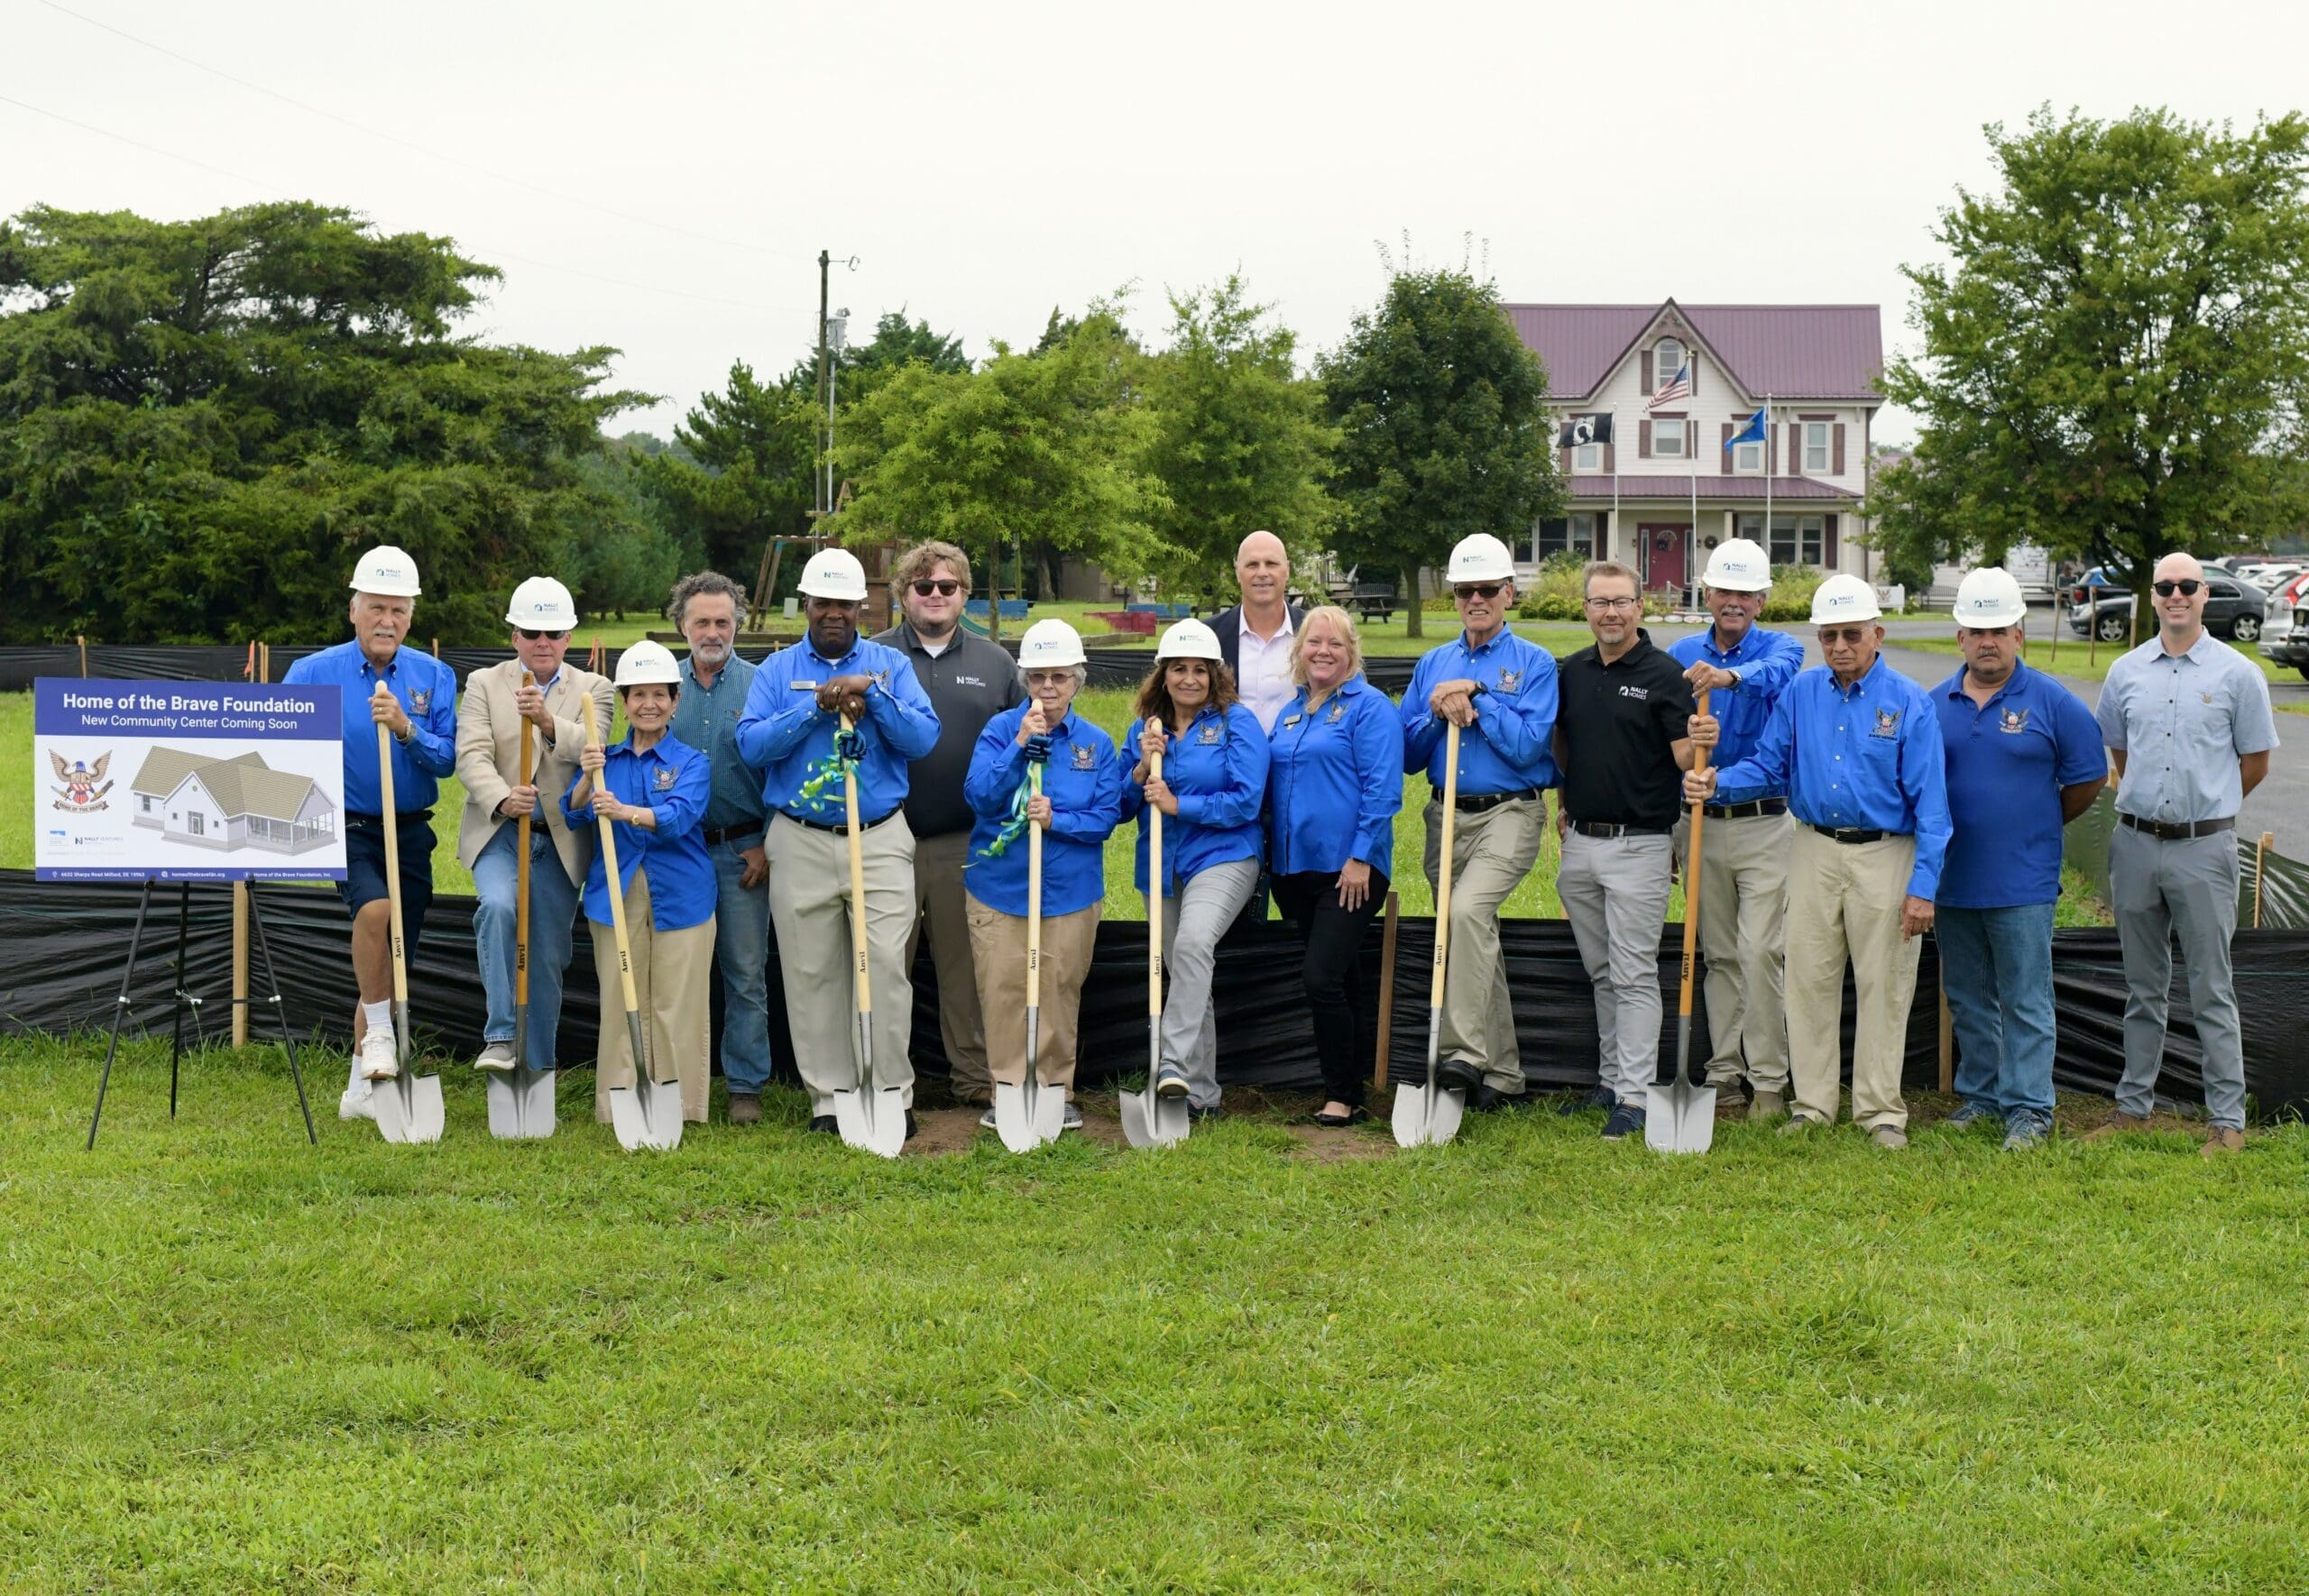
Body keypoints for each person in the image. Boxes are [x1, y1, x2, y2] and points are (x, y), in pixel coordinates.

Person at [1685, 574, 1950, 1149]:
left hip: (1887, 851)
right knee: (1808, 977)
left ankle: (1880, 1112)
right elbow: (1769, 765)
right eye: (1828, 636)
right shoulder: (1802, 692)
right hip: (1810, 847)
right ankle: (1812, 1105)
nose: (1839, 647)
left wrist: (1923, 886)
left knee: (1884, 983)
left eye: (1851, 634)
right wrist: (1717, 782)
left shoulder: (1908, 700)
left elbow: (1933, 807)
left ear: (1877, 633)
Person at [736, 547, 940, 1138]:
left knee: (883, 967)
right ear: (806, 604)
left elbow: (923, 736)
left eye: (844, 604)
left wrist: (870, 696)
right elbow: (751, 747)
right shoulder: (775, 670)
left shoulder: (888, 664)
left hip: (877, 836)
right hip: (799, 838)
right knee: (811, 971)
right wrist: (814, 705)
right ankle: (829, 1097)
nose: (833, 613)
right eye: (822, 602)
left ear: (862, 607)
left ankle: (890, 1090)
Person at [2091, 551, 2278, 1155]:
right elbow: (2121, 755)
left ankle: (2226, 1122)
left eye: (2188, 586)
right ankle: (2133, 1107)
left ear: (2204, 596)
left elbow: (2254, 763)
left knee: (2211, 987)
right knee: (2142, 987)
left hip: (2206, 849)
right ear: (2152, 596)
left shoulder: (2238, 675)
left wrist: (2205, 807)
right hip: (2137, 844)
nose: (2177, 594)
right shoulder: (2124, 672)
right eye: (2166, 586)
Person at [1933, 568, 2107, 1151]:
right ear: (1960, 635)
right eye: (1977, 629)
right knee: (1967, 996)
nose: (1988, 640)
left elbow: (2089, 778)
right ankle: (1982, 1096)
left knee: (2026, 998)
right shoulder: (1934, 705)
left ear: (2019, 632)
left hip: (2024, 882)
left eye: (2000, 629)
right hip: (1953, 881)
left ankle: (2030, 1108)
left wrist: (2037, 823)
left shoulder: (2055, 702)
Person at [283, 546, 458, 1118]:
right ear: (353, 610)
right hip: (345, 824)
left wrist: (408, 729)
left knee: (390, 956)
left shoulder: (434, 676)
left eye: (399, 611)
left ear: (411, 618)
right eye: (377, 607)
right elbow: (279, 752)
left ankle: (363, 1077)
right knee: (375, 914)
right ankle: (381, 1035)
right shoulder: (311, 674)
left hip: (410, 828)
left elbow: (447, 760)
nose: (388, 621)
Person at [1400, 532, 1559, 1110]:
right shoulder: (1432, 664)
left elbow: (1528, 748)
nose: (1475, 599)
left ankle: (1463, 1056)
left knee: (1466, 913)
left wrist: (1479, 697)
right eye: (1465, 590)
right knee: (1472, 933)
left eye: (1487, 589)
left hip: (1510, 813)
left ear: (1509, 594)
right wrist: (1436, 709)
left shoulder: (1535, 664)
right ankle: (1507, 1076)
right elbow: (1407, 754)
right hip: (1445, 815)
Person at [1552, 561, 1700, 1140]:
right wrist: (1563, 804)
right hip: (1580, 843)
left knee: (1634, 973)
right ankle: (1610, 1082)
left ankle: (1636, 1097)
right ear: (1585, 609)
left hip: (1640, 845)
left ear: (1641, 607)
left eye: (1621, 602)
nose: (1610, 612)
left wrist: (1703, 747)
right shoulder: (1573, 671)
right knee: (1601, 971)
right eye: (1599, 602)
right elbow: (1564, 743)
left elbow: (1686, 756)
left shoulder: (1666, 675)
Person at [873, 540, 1024, 1112]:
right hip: (886, 837)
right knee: (888, 965)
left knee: (965, 969)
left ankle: (974, 1080)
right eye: (923, 586)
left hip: (966, 840)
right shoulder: (875, 655)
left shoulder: (996, 664)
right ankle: (890, 1082)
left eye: (948, 586)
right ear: (904, 594)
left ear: (963, 594)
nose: (935, 596)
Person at [961, 620, 1122, 1131]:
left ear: (1078, 680)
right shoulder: (998, 729)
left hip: (1069, 892)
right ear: (1024, 680)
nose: (1047, 689)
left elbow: (1105, 817)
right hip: (1000, 888)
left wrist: (1058, 820)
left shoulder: (1095, 745)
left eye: (1058, 677)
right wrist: (1018, 747)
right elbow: (979, 796)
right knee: (1005, 988)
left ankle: (1055, 1090)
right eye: (1036, 678)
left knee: (1057, 988)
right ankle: (1007, 1089)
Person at [1664, 537, 1804, 1120]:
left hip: (1765, 824)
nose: (1734, 601)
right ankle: (1725, 1073)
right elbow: (1665, 732)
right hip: (1698, 821)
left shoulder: (1784, 648)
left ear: (1763, 600)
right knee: (1718, 953)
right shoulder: (1678, 652)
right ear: (1708, 592)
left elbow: (1777, 673)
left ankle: (1770, 1081)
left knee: (1761, 950)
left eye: (1746, 592)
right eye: (1725, 590)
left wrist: (1728, 678)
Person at [453, 576, 612, 1077]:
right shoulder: (483, 683)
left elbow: (593, 747)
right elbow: (471, 755)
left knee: (545, 958)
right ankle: (501, 1037)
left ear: (569, 639)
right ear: (514, 636)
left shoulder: (595, 688)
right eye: (531, 632)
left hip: (558, 842)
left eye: (554, 633)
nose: (543, 643)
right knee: (499, 907)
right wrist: (503, 798)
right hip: (500, 833)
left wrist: (546, 721)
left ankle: (536, 1069)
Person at [1120, 619, 1271, 1118]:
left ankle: (1171, 1065)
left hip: (1224, 855)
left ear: (1215, 675)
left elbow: (1247, 802)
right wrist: (1142, 768)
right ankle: (1202, 1097)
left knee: (1191, 945)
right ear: (1162, 675)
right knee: (1187, 968)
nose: (1189, 679)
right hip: (1161, 863)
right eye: (1178, 669)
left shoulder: (1236, 723)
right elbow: (1122, 805)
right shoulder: (1146, 730)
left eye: (1199, 670)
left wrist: (1179, 805)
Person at [565, 641, 716, 1124]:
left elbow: (680, 816)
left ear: (675, 701)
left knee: (677, 1001)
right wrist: (589, 779)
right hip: (615, 890)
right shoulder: (604, 759)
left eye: (660, 694)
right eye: (638, 695)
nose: (649, 704)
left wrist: (626, 812)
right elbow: (573, 814)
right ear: (625, 704)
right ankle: (617, 1105)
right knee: (619, 995)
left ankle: (683, 1105)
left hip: (685, 895)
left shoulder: (692, 762)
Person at [1264, 606, 1403, 1126]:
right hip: (1292, 870)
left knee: (1321, 977)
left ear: (1352, 653)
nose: (1323, 652)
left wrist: (1360, 856)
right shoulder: (1291, 711)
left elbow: (1384, 789)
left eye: (1335, 644)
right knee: (1341, 977)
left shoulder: (1370, 709)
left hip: (1350, 871)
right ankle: (1356, 1083)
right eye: (1313, 642)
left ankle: (1340, 1096)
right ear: (1299, 650)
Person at [665, 571, 774, 1124]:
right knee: (678, 972)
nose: (713, 631)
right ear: (682, 626)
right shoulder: (659, 688)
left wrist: (766, 843)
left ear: (738, 625)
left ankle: (746, 1087)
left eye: (723, 622)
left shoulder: (762, 685)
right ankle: (677, 1081)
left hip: (743, 853)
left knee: (745, 972)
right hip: (675, 853)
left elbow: (782, 772)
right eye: (701, 621)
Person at [1209, 529, 1306, 735]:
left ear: (1287, 570)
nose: (1262, 573)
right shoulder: (1210, 636)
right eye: (1252, 564)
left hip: (1300, 762)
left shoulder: (1314, 633)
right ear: (1237, 572)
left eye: (1271, 563)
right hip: (1232, 762)